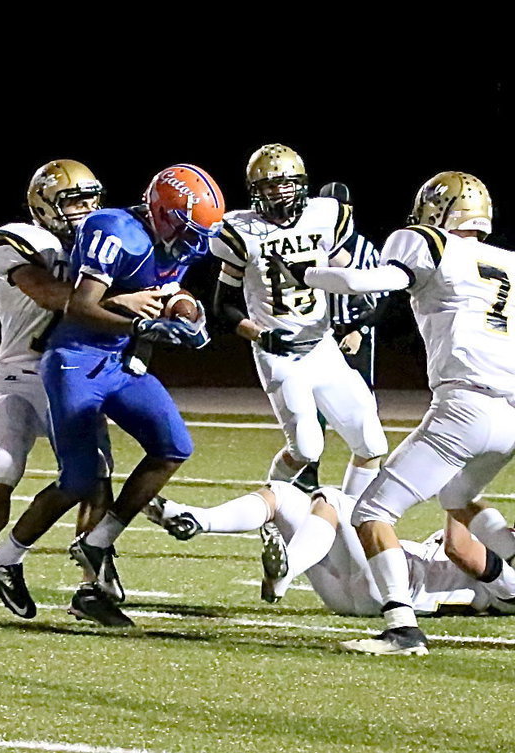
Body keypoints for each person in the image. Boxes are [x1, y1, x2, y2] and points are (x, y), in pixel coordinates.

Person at [0, 164, 223, 627]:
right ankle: (5, 557)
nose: (192, 240)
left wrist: (189, 315)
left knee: (173, 446)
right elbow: (80, 304)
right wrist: (142, 324)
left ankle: (96, 542)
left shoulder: (172, 237)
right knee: (79, 479)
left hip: (119, 363)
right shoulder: (114, 230)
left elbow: (170, 289)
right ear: (160, 211)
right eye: (185, 226)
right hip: (75, 360)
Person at [301, 171, 515, 655]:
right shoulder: (509, 261)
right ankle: (509, 589)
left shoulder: (428, 241)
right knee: (458, 501)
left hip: (466, 407)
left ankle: (402, 627)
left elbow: (366, 282)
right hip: (511, 415)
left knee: (372, 511)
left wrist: (304, 272)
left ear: (437, 211)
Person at [0, 160, 162, 618]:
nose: (85, 210)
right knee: (4, 469)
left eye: (90, 199)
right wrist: (119, 301)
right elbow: (50, 294)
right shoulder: (18, 239)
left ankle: (91, 583)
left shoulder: (104, 238)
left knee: (97, 472)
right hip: (21, 374)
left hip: (74, 371)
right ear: (43, 206)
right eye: (73, 201)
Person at [211, 144, 387, 503]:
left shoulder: (325, 216)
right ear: (255, 191)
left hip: (322, 346)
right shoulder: (240, 231)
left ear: (302, 184)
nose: (279, 192)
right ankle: (270, 514)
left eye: (286, 183)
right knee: (306, 448)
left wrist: (360, 296)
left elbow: (341, 266)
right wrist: (261, 335)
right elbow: (222, 306)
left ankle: (350, 524)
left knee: (371, 441)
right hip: (280, 353)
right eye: (270, 185)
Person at [145, 483, 515, 618]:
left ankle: (286, 571)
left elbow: (460, 549)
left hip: (392, 592)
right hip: (358, 594)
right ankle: (196, 519)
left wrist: (463, 485)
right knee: (285, 496)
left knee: (335, 500)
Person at [293, 181, 387, 493]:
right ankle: (309, 472)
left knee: (362, 405)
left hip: (355, 330)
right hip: (322, 333)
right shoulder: (307, 244)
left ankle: (369, 469)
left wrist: (360, 331)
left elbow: (384, 296)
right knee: (314, 404)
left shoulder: (365, 250)